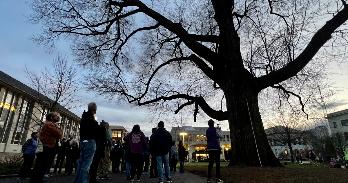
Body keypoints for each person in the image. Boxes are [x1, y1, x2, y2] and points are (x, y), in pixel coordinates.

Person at [30, 112, 63, 183]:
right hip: (46, 147)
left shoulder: (50, 124)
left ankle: (38, 179)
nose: (58, 117)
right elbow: (59, 134)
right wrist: (58, 129)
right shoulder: (49, 124)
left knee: (42, 165)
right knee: (41, 165)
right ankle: (36, 180)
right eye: (56, 116)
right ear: (51, 117)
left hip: (47, 147)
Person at [74, 102, 99, 183]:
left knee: (81, 162)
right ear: (94, 109)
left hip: (83, 141)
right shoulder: (91, 120)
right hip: (89, 141)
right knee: (86, 164)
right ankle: (83, 181)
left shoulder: (83, 118)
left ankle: (78, 180)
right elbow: (95, 131)